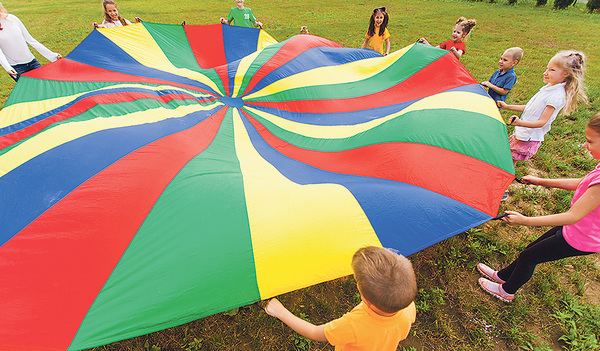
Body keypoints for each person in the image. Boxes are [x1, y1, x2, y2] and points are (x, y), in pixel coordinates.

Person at [477, 111, 600, 302]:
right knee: (530, 250)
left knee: (529, 257)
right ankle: (502, 276)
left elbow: (572, 216)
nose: (585, 145)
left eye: (590, 141)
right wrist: (540, 181)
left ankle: (507, 291)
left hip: (582, 237)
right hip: (575, 228)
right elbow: (582, 183)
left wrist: (524, 220)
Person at [265, 246, 417, 350]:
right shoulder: (408, 307)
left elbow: (314, 332)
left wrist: (281, 312)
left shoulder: (353, 325)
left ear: (364, 298)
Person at [499, 50, 587, 163]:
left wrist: (519, 123)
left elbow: (542, 122)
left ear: (566, 74)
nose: (545, 72)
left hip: (528, 137)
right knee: (507, 158)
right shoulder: (549, 88)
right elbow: (531, 107)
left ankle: (505, 178)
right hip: (523, 132)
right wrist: (508, 106)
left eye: (552, 70)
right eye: (547, 68)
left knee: (510, 161)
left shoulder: (556, 96)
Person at [0, 2, 61, 82]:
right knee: (32, 92)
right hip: (17, 68)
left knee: (45, 88)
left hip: (32, 62)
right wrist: (8, 67)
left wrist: (52, 56)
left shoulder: (12, 19)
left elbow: (31, 40)